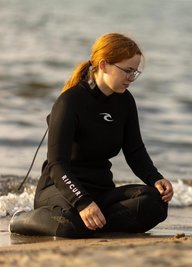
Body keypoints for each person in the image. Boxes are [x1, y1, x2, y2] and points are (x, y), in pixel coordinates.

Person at [9, 33, 174, 238]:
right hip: (61, 190)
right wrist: (83, 202)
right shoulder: (69, 102)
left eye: (135, 72)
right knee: (69, 225)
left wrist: (155, 178)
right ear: (104, 65)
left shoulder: (125, 102)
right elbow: (56, 165)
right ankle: (20, 219)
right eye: (127, 71)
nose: (131, 78)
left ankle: (91, 223)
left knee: (155, 202)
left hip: (101, 190)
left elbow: (135, 150)